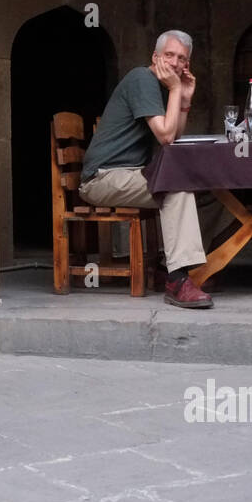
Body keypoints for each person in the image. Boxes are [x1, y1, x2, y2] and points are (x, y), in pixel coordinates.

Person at [78, 30, 214, 309]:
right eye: (169, 55)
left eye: (182, 59)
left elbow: (172, 139)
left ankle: (176, 266)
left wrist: (184, 99)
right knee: (176, 187)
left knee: (192, 186)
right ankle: (177, 279)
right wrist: (176, 90)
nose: (175, 63)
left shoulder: (160, 87)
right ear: (155, 57)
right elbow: (166, 137)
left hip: (127, 174)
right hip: (101, 178)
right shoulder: (143, 79)